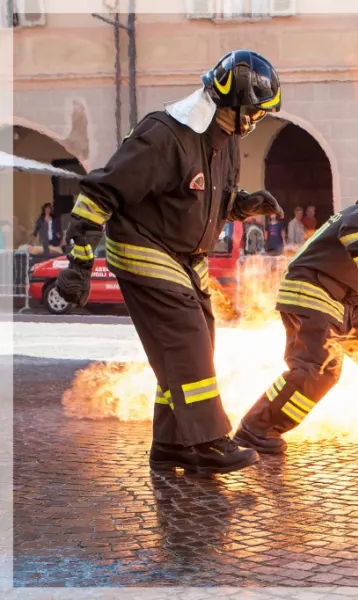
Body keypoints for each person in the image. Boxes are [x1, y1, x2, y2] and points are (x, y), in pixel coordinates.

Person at [54, 50, 285, 476]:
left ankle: (172, 445)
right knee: (186, 340)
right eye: (252, 111)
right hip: (144, 248)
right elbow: (99, 193)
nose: (255, 120)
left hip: (186, 258)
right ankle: (211, 441)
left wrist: (243, 205)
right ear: (229, 103)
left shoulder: (225, 139)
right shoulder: (164, 135)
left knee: (191, 350)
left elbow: (198, 199)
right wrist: (79, 264)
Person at [233, 171, 358, 455]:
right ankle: (256, 429)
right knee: (320, 368)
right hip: (312, 289)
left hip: (343, 300)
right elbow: (354, 229)